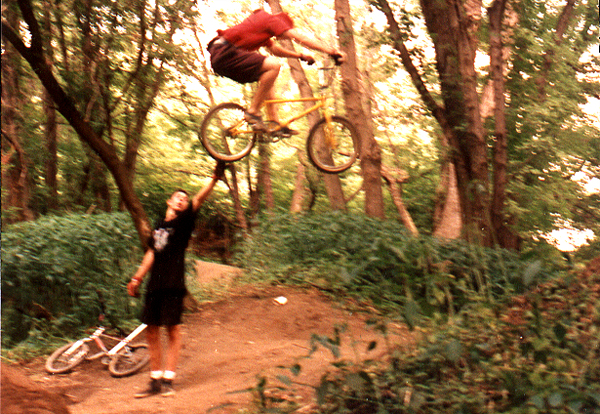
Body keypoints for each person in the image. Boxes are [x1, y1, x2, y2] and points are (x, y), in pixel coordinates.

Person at [127, 161, 225, 398]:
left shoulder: (184, 222)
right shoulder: (159, 226)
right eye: (177, 197)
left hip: (173, 283)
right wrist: (137, 278)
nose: (182, 199)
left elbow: (199, 200)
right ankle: (154, 381)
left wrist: (213, 179)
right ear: (169, 202)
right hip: (154, 285)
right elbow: (151, 252)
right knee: (151, 331)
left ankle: (169, 380)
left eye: (184, 198)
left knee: (172, 330)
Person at [207, 7, 345, 134]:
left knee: (268, 77)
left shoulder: (263, 30)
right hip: (224, 52)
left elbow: (275, 50)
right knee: (274, 65)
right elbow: (300, 38)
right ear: (283, 24)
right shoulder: (272, 20)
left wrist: (300, 56)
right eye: (285, 31)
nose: (283, 36)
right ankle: (253, 111)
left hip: (223, 58)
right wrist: (331, 52)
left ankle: (275, 124)